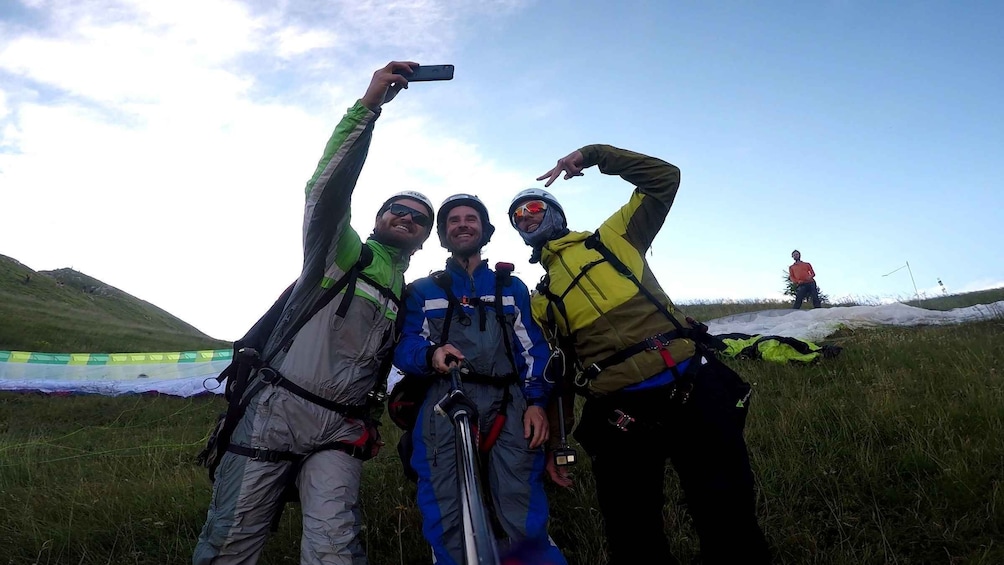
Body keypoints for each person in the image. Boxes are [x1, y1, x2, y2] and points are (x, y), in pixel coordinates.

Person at [193, 61, 436, 565]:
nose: (407, 217)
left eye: (418, 218)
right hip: (274, 414)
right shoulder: (340, 251)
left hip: (342, 428)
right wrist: (368, 108)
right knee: (231, 541)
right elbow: (325, 191)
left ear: (423, 237)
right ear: (377, 218)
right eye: (398, 209)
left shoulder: (407, 293)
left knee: (335, 549)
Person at [507, 145, 772, 565]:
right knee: (631, 533)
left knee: (727, 516)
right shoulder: (541, 299)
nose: (526, 217)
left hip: (691, 388)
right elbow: (557, 376)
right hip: (619, 413)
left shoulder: (613, 238)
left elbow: (664, 178)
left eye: (533, 206)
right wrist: (558, 443)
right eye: (517, 217)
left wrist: (593, 156)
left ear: (555, 211)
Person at [393, 194, 567, 565]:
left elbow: (532, 350)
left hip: (510, 402)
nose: (462, 224)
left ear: (485, 231)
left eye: (470, 218)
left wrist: (536, 404)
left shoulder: (512, 287)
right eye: (453, 220)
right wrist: (430, 355)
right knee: (446, 504)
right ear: (442, 235)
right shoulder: (422, 291)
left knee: (520, 500)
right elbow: (405, 344)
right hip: (444, 403)